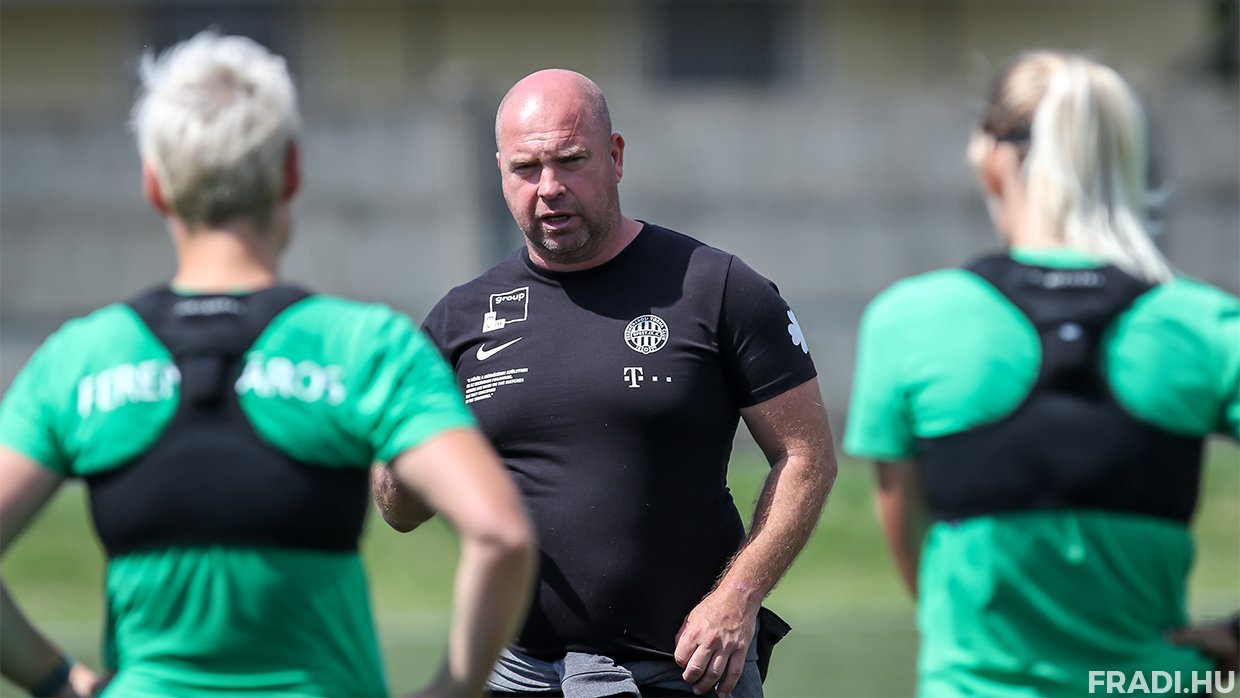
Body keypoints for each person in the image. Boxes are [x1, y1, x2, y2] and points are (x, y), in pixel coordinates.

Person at [0, 31, 535, 697]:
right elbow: (501, 535)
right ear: (291, 173)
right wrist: (450, 691)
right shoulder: (362, 346)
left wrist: (58, 682)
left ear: (154, 184)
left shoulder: (82, 359)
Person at [373, 69, 837, 697]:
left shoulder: (717, 288)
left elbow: (807, 456)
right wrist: (401, 457)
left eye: (571, 161)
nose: (549, 188)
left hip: (685, 671)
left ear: (614, 157)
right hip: (519, 676)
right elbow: (400, 511)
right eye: (526, 168)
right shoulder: (460, 318)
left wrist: (739, 596)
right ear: (501, 173)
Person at [844, 50, 1240, 696]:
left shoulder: (907, 320)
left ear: (991, 160)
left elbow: (912, 547)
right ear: (1130, 160)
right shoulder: (1206, 325)